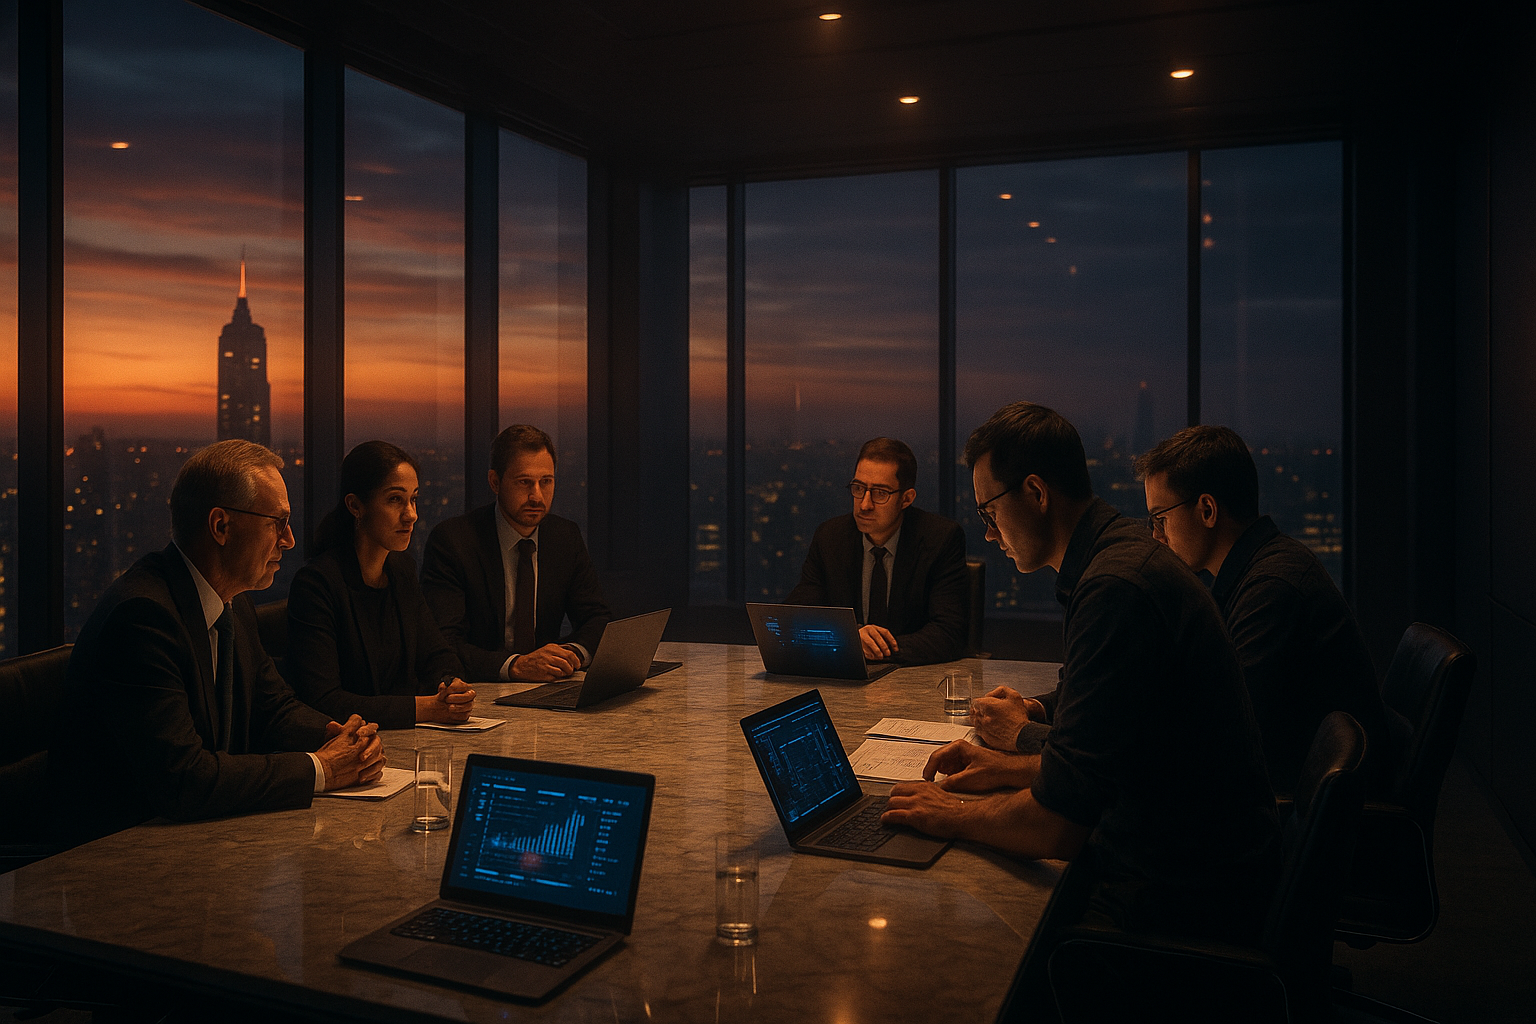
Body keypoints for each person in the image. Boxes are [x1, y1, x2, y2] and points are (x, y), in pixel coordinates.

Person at [882, 401, 1279, 944]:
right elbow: (1107, 762)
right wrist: (1003, 766)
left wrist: (948, 812)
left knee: (953, 938)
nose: (990, 532)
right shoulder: (1121, 557)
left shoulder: (1116, 587)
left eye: (989, 510)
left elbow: (1060, 824)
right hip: (1203, 857)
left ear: (1037, 494)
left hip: (1184, 898)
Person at [52, 440, 387, 847]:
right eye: (277, 523)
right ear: (221, 526)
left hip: (201, 841)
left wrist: (339, 737)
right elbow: (184, 779)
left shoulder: (231, 602)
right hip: (122, 859)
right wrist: (322, 768)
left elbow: (272, 707)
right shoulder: (143, 617)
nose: (290, 540)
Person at [1134, 424, 1391, 796]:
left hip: (1290, 811)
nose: (1156, 536)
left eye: (1160, 519)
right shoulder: (1257, 569)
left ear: (1207, 510)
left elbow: (1226, 733)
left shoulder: (1273, 590)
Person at [286, 441, 476, 730]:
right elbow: (323, 700)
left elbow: (438, 655)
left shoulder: (402, 570)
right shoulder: (317, 584)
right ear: (355, 506)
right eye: (395, 500)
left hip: (406, 739)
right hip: (348, 746)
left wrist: (451, 687)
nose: (411, 514)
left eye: (413, 499)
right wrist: (426, 707)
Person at [421, 424, 611, 682]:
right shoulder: (454, 541)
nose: (536, 496)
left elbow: (597, 619)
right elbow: (443, 643)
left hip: (548, 687)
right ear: (495, 482)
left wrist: (570, 654)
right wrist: (516, 666)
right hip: (480, 692)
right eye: (524, 482)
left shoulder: (564, 537)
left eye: (546, 482)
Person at [784, 437, 969, 665]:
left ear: (906, 498)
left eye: (880, 493)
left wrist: (867, 648)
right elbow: (796, 616)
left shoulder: (941, 539)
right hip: (844, 679)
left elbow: (949, 633)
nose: (864, 504)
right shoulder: (830, 537)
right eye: (859, 489)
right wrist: (850, 636)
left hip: (913, 679)